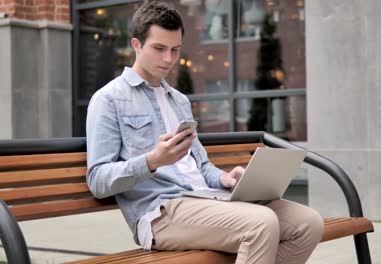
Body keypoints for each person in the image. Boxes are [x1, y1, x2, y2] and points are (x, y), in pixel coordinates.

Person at [86, 1, 324, 263]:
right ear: (136, 45)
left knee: (308, 223)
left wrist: (224, 179)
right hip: (161, 213)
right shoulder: (109, 99)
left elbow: (200, 165)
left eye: (175, 50)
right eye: (159, 48)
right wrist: (153, 161)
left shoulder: (179, 100)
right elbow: (98, 181)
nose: (168, 58)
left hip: (207, 198)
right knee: (261, 223)